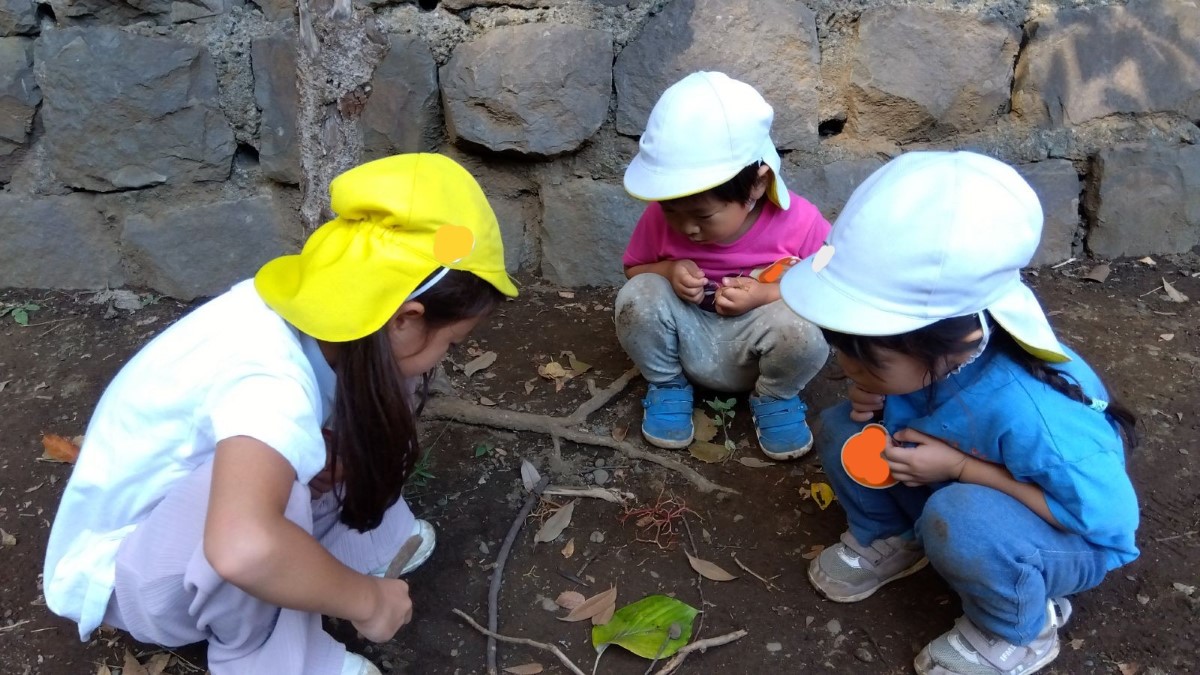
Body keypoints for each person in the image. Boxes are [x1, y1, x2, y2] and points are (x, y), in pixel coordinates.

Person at [42, 154, 518, 675]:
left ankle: (357, 549)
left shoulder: (337, 325)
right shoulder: (268, 381)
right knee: (261, 502)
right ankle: (276, 658)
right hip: (139, 572)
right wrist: (368, 602)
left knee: (384, 384)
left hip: (197, 531)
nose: (444, 357)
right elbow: (241, 547)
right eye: (450, 342)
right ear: (406, 318)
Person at [779, 151, 1140, 675]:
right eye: (845, 351)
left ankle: (1019, 628)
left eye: (869, 363)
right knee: (841, 426)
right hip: (959, 477)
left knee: (963, 517)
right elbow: (903, 397)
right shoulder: (943, 351)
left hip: (1065, 535)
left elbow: (1106, 522)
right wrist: (880, 395)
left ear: (952, 340)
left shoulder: (1035, 413)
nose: (849, 370)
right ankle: (892, 538)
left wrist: (960, 470)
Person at [616, 71, 830, 460]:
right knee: (637, 296)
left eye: (703, 215)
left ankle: (774, 398)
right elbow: (634, 270)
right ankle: (667, 385)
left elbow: (832, 282)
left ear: (756, 185)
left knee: (804, 328)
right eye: (671, 210)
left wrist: (768, 293)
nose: (685, 227)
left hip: (759, 350)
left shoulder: (799, 221)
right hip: (687, 341)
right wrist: (667, 271)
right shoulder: (660, 219)